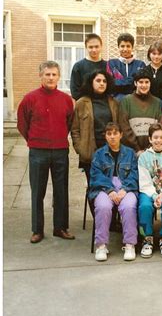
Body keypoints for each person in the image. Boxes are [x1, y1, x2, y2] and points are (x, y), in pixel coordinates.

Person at [17, 61, 74, 243]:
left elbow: (69, 123)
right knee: (37, 192)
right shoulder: (29, 98)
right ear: (40, 75)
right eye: (47, 74)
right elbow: (22, 124)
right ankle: (37, 230)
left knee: (61, 191)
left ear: (59, 76)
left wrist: (57, 139)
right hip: (38, 152)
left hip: (60, 151)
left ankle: (60, 227)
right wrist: (34, 140)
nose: (50, 78)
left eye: (54, 74)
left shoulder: (66, 100)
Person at [88, 122, 139, 261]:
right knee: (103, 207)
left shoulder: (130, 153)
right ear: (105, 136)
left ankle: (129, 244)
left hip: (126, 187)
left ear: (121, 135)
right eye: (109, 134)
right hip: (105, 188)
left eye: (115, 133)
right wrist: (110, 190)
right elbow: (96, 175)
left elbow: (135, 174)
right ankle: (101, 245)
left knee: (129, 207)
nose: (112, 137)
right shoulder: (99, 154)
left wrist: (125, 189)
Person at [71, 70, 119, 183]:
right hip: (90, 152)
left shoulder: (114, 103)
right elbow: (75, 129)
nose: (102, 83)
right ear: (91, 83)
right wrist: (80, 148)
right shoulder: (81, 103)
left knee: (111, 185)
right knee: (94, 186)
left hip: (110, 151)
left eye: (104, 81)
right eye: (98, 80)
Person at [138, 123, 162, 259]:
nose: (158, 140)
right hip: (148, 191)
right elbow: (144, 181)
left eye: (161, 137)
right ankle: (147, 238)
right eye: (155, 137)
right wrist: (154, 195)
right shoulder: (143, 157)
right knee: (145, 206)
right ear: (150, 139)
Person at [118, 70, 162, 153]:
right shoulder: (126, 101)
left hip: (152, 151)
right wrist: (137, 149)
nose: (144, 85)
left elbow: (160, 127)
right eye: (141, 82)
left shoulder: (158, 102)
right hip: (131, 151)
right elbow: (124, 126)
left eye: (147, 82)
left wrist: (149, 149)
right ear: (135, 83)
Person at [106, 33, 146, 100]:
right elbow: (110, 84)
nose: (125, 49)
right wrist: (131, 81)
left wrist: (119, 83)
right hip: (116, 101)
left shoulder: (140, 64)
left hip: (136, 101)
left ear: (132, 47)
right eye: (122, 46)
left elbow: (140, 84)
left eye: (128, 46)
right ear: (118, 47)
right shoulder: (111, 63)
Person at [70, 33, 107, 100]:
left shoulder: (108, 66)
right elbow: (74, 91)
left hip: (104, 105)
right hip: (85, 105)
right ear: (86, 47)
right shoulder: (78, 66)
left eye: (96, 46)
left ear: (101, 47)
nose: (94, 50)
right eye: (91, 47)